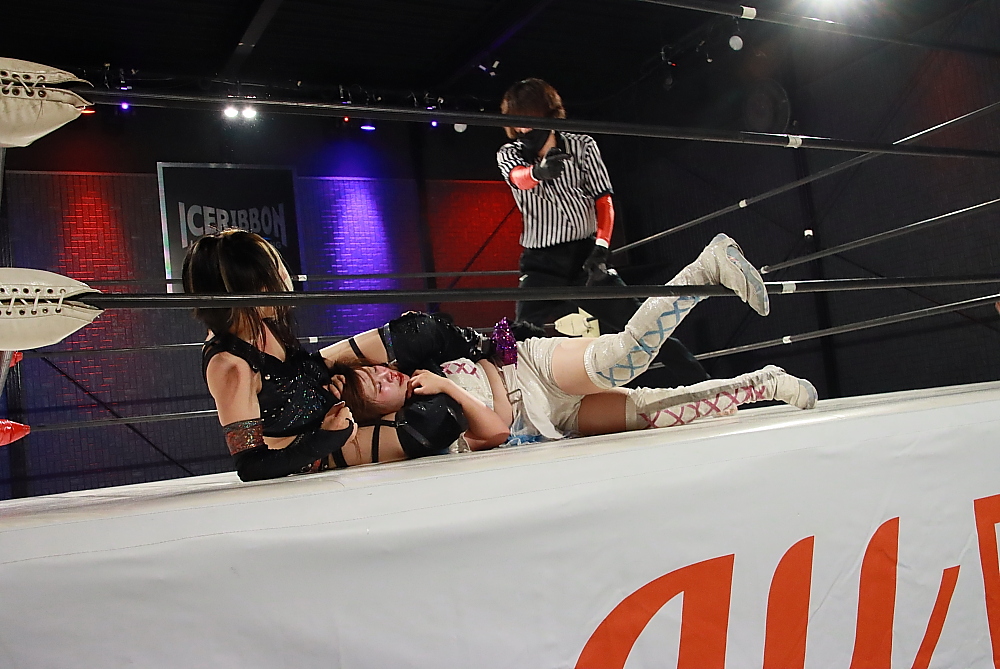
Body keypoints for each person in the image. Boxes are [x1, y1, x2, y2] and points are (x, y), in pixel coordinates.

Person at [332, 233, 817, 454]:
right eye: (376, 385)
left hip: (532, 367)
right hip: (545, 420)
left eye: (374, 369)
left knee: (623, 359)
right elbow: (495, 431)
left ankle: (706, 266)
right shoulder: (421, 426)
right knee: (655, 412)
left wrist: (481, 371)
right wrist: (454, 387)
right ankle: (765, 383)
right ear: (377, 413)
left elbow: (467, 345)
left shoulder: (420, 364)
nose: (383, 373)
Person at [184, 230, 496, 481]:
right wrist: (325, 438)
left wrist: (329, 382)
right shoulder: (230, 365)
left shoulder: (263, 320)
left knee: (419, 331)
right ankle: (463, 378)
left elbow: (296, 375)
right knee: (435, 420)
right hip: (316, 440)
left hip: (321, 388)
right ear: (244, 291)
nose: (285, 282)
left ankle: (489, 349)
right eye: (272, 278)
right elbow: (250, 466)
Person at [496, 77, 708, 388]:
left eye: (528, 119)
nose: (523, 129)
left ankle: (704, 385)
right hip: (541, 264)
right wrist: (538, 172)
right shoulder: (509, 152)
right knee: (520, 335)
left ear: (547, 114)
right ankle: (513, 401)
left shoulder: (582, 145)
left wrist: (602, 246)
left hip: (586, 256)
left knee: (642, 325)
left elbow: (603, 198)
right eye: (517, 122)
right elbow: (518, 178)